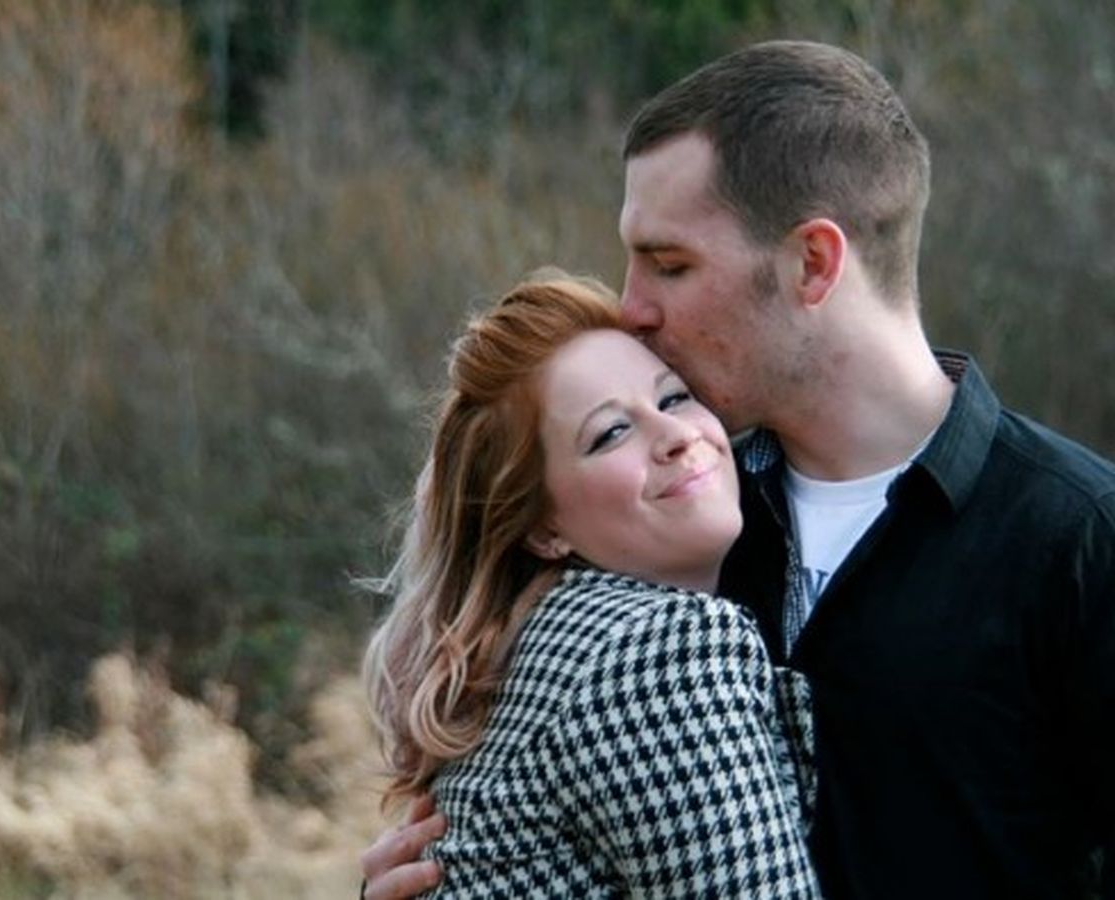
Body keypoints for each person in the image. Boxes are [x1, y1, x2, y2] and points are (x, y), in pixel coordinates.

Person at [362, 40, 1115, 899]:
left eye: (670, 265)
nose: (632, 309)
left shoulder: (1080, 542)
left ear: (812, 263)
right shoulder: (674, 526)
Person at [362, 273, 821, 897]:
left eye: (673, 398)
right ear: (542, 527)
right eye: (611, 434)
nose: (675, 436)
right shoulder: (661, 647)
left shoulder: (536, 644)